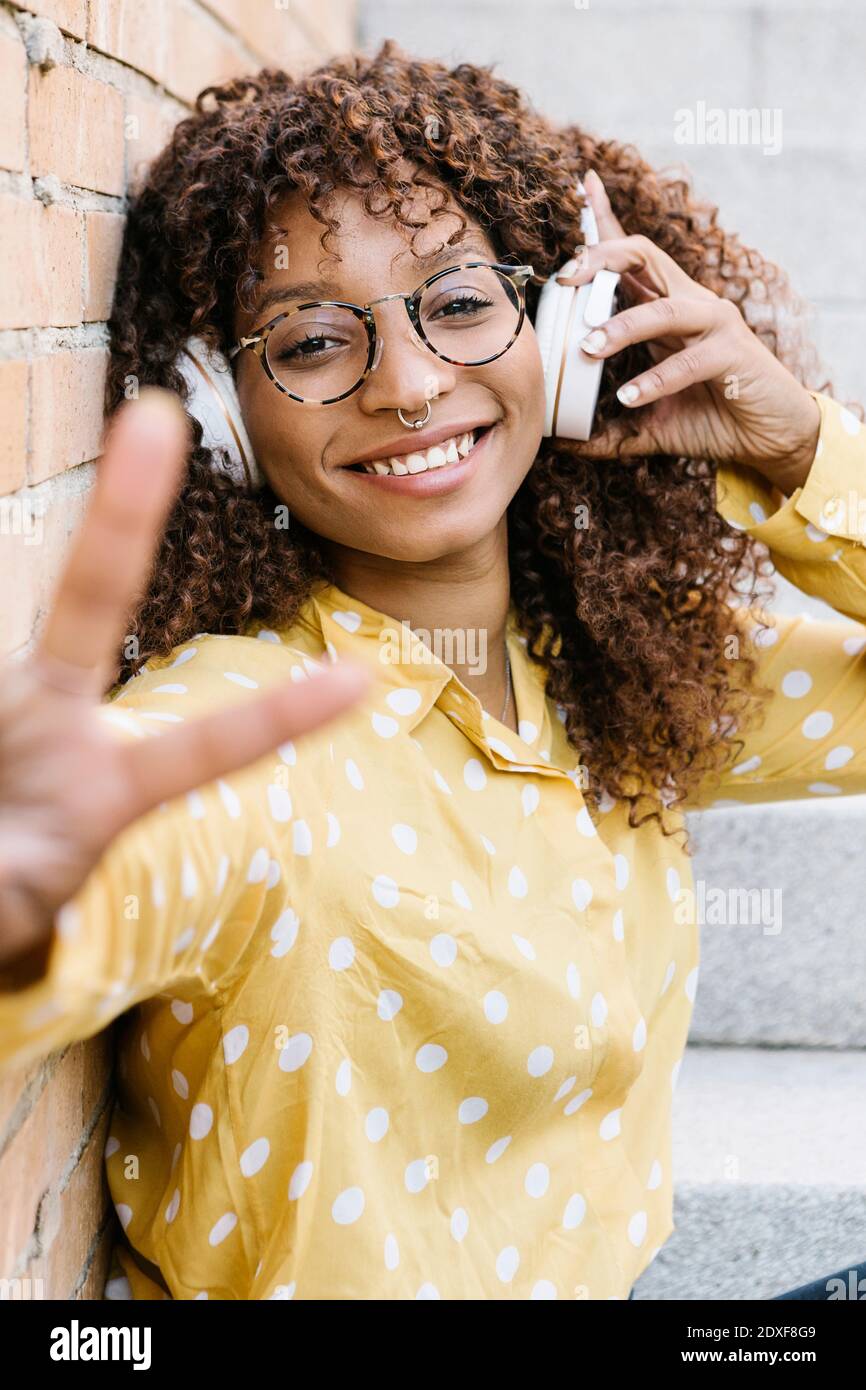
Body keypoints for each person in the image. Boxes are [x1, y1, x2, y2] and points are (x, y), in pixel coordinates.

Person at [1, 40, 865, 1302]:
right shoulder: (248, 729)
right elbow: (109, 868)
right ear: (222, 412)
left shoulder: (609, 674)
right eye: (307, 343)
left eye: (460, 304)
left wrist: (798, 453)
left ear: (567, 335)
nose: (408, 387)